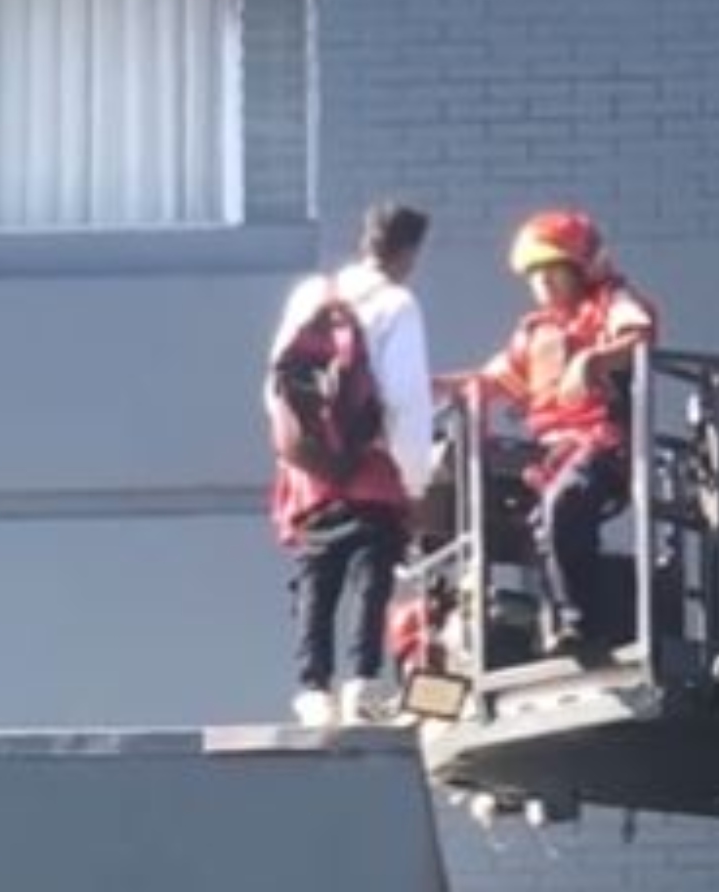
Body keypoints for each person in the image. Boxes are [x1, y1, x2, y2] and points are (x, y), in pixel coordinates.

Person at [267, 202, 434, 726]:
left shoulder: (312, 295)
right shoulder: (397, 304)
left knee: (317, 575)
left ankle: (312, 688)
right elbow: (405, 400)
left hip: (311, 470)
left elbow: (278, 382)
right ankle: (362, 683)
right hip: (370, 466)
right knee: (371, 572)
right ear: (407, 252)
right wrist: (416, 479)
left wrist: (301, 451)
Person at [470, 209, 660, 659]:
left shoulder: (611, 302)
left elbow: (641, 336)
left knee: (564, 506)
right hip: (552, 454)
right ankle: (555, 623)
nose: (544, 284)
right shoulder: (535, 332)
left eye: (553, 271)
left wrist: (592, 360)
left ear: (581, 268)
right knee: (542, 524)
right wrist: (434, 389)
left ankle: (579, 623)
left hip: (604, 444)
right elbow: (493, 381)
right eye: (535, 275)